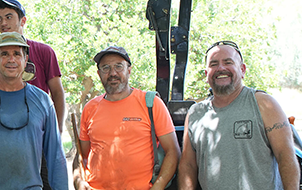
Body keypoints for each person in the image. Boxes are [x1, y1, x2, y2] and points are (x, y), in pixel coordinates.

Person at [178, 41, 300, 189]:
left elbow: (286, 157)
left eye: (228, 62)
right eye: (214, 64)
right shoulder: (196, 113)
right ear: (206, 74)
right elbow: (188, 165)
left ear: (242, 70)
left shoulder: (264, 104)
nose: (221, 68)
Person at [0, 32, 67, 189]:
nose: (11, 59)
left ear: (25, 59)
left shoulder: (42, 101)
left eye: (17, 54)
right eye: (4, 54)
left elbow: (56, 156)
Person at [74, 46, 180, 189]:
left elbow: (173, 151)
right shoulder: (90, 108)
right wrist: (78, 181)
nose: (112, 73)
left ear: (129, 70)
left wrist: (158, 186)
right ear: (99, 74)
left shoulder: (151, 103)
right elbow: (81, 155)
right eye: (105, 68)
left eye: (119, 66)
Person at [0, 0, 65, 132]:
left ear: (23, 21)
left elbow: (57, 92)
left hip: (37, 131)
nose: (3, 23)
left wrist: (57, 130)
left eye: (8, 17)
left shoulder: (44, 52)